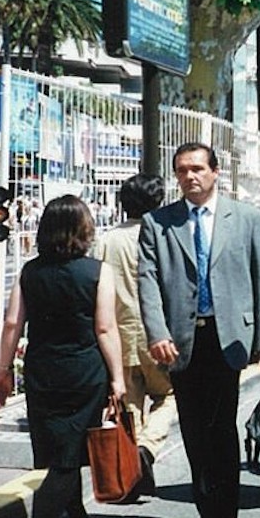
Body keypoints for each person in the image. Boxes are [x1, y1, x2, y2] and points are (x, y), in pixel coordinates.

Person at [137, 142, 260, 518]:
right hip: (181, 340)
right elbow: (147, 282)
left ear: (216, 172)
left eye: (197, 168)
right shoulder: (158, 223)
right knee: (195, 433)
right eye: (182, 170)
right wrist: (157, 333)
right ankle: (207, 515)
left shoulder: (246, 218)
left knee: (221, 431)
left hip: (228, 337)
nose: (190, 177)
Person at [0, 195, 126, 518]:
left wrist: (3, 371)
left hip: (42, 372)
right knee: (67, 460)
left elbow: (12, 324)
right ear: (84, 230)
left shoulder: (30, 272)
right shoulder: (98, 272)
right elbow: (105, 328)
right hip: (84, 372)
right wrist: (118, 378)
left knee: (60, 450)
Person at [93, 173, 174, 499]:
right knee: (170, 396)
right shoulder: (163, 235)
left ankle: (132, 472)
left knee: (128, 405)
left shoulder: (107, 240)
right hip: (159, 335)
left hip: (119, 334)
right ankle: (147, 448)